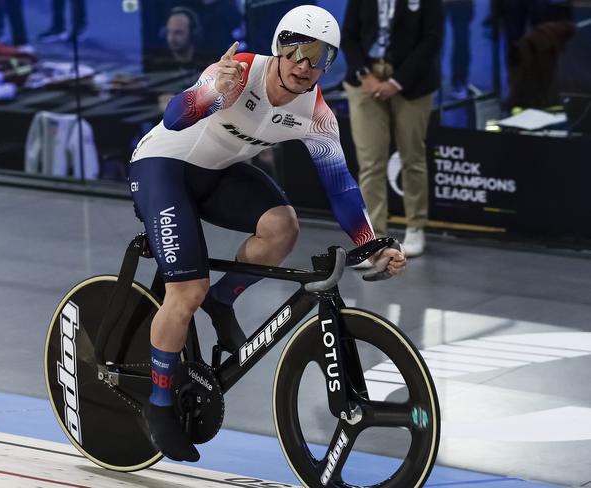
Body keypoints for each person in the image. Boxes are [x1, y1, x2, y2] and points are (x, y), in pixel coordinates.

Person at [128, 5, 407, 462]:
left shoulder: (317, 114)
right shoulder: (237, 72)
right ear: (278, 46)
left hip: (217, 171)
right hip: (163, 168)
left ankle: (223, 301)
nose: (304, 65)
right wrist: (209, 93)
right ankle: (158, 406)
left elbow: (340, 186)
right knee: (186, 291)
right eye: (296, 50)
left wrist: (370, 245)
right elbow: (177, 119)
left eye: (319, 57)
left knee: (283, 227)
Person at [342, 0, 444, 259]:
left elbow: (432, 39)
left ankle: (415, 226)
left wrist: (397, 82)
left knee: (412, 157)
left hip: (413, 82)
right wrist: (365, 75)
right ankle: (372, 238)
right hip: (365, 81)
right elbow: (349, 36)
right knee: (370, 162)